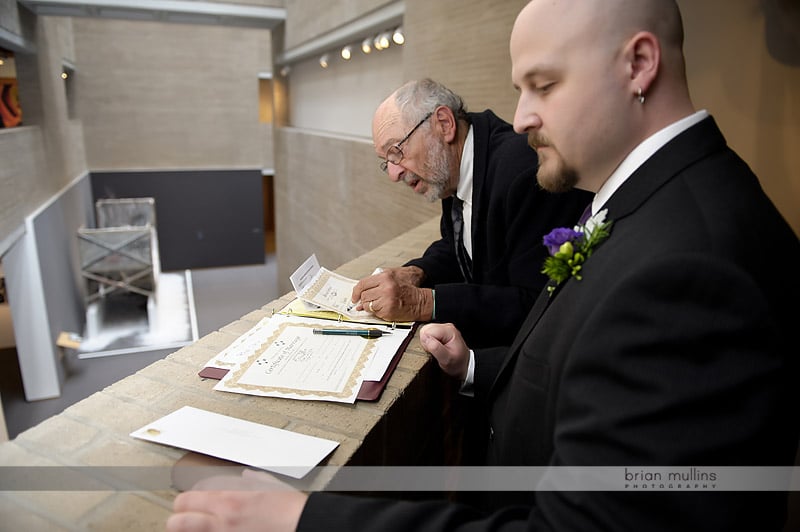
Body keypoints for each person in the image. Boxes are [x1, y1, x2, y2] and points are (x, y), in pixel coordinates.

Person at [167, 0, 800, 530]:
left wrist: (301, 520)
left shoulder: (690, 269)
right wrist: (473, 362)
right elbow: (574, 346)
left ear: (638, 64)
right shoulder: (653, 200)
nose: (521, 117)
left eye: (544, 85)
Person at [350, 78, 590, 347]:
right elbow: (460, 248)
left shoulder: (523, 175)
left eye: (397, 152)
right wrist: (417, 272)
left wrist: (424, 302)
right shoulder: (452, 163)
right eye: (387, 163)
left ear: (444, 124)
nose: (394, 173)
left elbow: (537, 306)